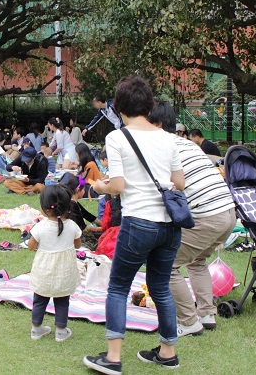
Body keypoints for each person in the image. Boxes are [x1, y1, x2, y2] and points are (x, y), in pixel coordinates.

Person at [84, 76, 185, 374]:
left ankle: (113, 358)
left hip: (138, 222)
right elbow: (179, 182)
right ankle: (168, 352)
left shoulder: (117, 137)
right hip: (169, 225)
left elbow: (117, 186)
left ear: (119, 107)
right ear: (149, 104)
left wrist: (99, 187)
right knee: (161, 288)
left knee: (118, 287)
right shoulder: (168, 137)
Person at [148, 100, 236, 336]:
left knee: (166, 266)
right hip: (228, 212)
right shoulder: (186, 144)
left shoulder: (159, 148)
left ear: (154, 123)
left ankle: (188, 321)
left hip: (207, 215)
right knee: (197, 261)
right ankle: (206, 314)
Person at [27, 184, 82, 343]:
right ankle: (61, 331)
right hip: (64, 271)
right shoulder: (72, 226)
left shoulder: (40, 227)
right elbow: (77, 245)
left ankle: (36, 329)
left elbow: (31, 247)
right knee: (62, 300)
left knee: (40, 299)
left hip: (44, 270)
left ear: (44, 208)